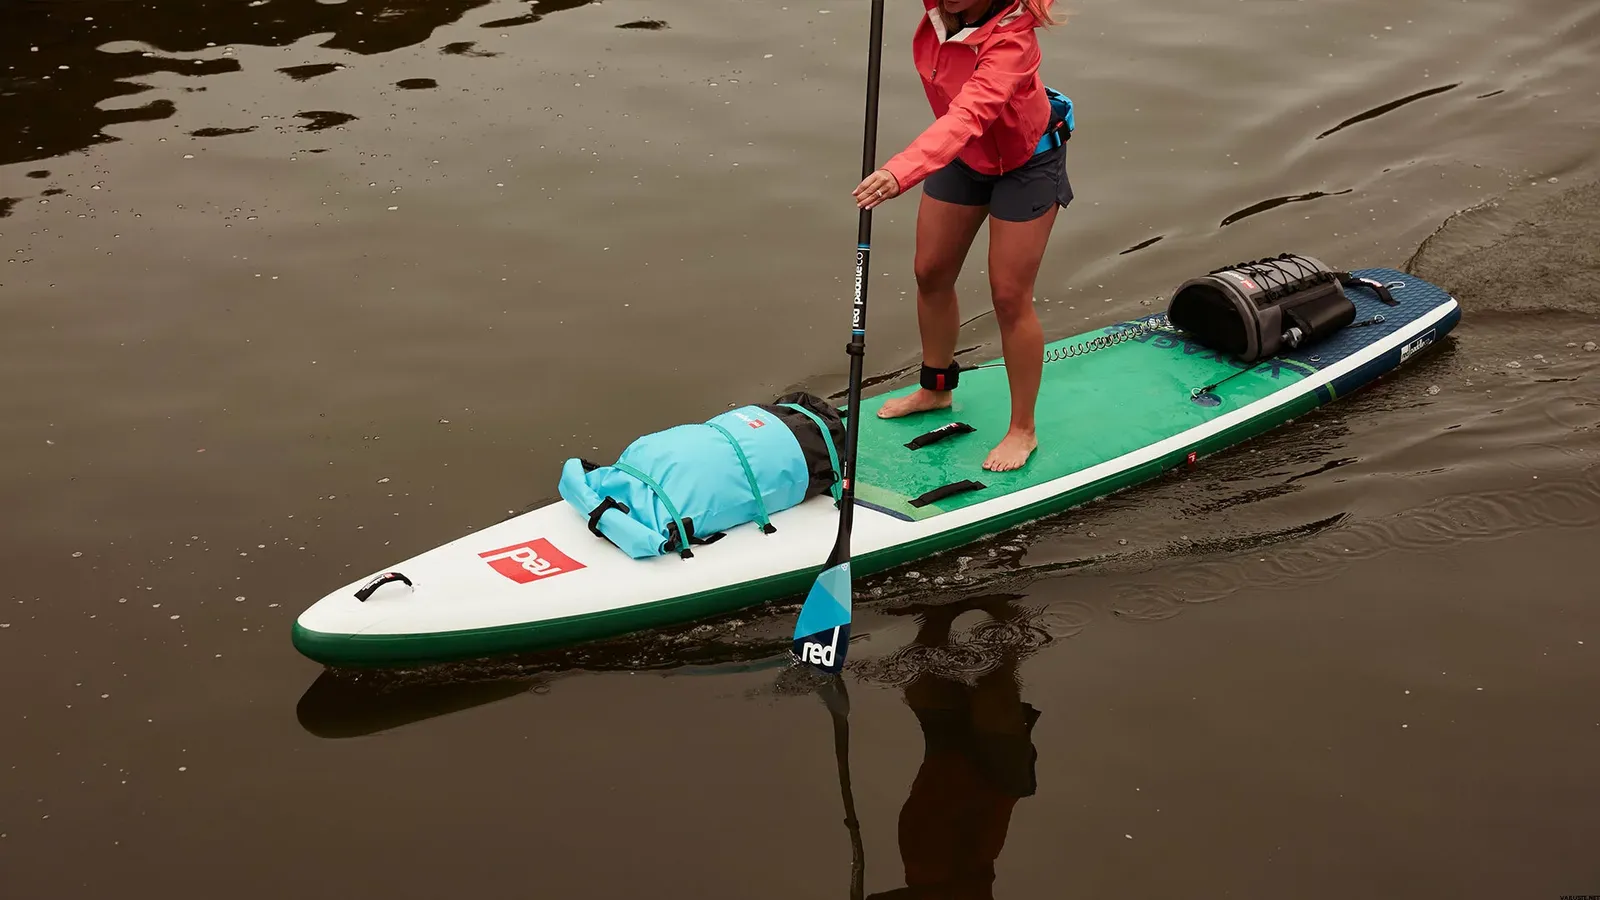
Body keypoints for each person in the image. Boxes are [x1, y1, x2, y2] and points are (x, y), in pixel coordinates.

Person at [852, 0, 1071, 473]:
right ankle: (935, 389)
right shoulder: (938, 15)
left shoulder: (1013, 39)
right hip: (964, 156)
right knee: (930, 271)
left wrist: (900, 171)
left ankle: (1022, 430)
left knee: (1010, 296)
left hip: (1026, 163)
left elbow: (969, 114)